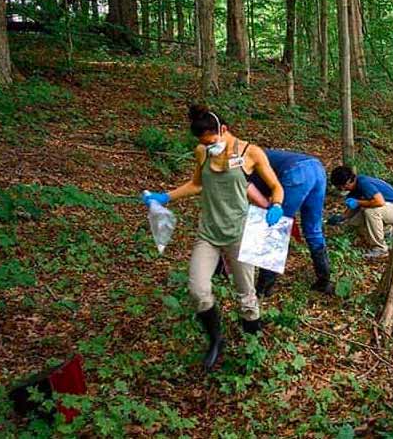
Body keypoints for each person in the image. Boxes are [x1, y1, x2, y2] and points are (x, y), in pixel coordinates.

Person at [142, 105, 284, 372]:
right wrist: (165, 197)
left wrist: (276, 205)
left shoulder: (250, 152)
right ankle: (216, 340)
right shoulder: (202, 152)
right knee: (198, 290)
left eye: (210, 140)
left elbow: (276, 187)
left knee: (246, 295)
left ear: (223, 130)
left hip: (238, 232)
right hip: (208, 233)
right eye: (202, 143)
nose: (207, 146)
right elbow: (197, 184)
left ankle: (251, 345)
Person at [246, 149, 334, 298]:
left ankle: (264, 287)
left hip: (296, 173)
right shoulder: (257, 155)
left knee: (275, 229)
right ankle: (324, 280)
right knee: (313, 229)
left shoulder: (243, 168)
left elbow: (260, 202)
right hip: (317, 168)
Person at [328, 166, 393, 260]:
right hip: (387, 208)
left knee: (370, 212)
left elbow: (379, 202)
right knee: (354, 221)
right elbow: (352, 209)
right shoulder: (354, 188)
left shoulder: (363, 183)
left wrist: (358, 202)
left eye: (340, 187)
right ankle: (386, 232)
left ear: (346, 183)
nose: (341, 189)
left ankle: (380, 249)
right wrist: (342, 217)